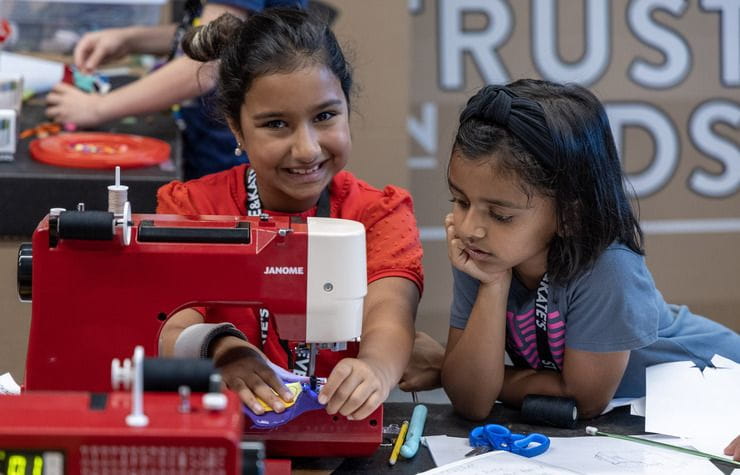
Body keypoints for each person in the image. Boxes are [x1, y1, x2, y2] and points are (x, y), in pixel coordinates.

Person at [402, 79, 740, 421]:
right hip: (638, 418)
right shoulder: (484, 254)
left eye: (501, 215)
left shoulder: (609, 267)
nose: (468, 228)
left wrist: (450, 366)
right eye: (459, 201)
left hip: (717, 391)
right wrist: (492, 286)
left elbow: (582, 400)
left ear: (569, 215)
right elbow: (471, 399)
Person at [156, 9, 423, 421]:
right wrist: (224, 348)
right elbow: (171, 328)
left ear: (347, 106)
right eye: (277, 124)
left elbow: (391, 320)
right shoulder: (192, 211)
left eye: (325, 116)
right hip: (225, 432)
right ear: (237, 129)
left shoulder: (378, 214)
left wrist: (375, 369)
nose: (307, 149)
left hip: (338, 433)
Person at [45, 0, 306, 180]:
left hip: (232, 159)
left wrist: (96, 108)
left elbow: (205, 65)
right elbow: (211, 31)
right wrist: (131, 39)